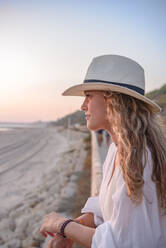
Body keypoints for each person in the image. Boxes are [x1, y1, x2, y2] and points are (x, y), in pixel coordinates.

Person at [40, 55, 166, 247]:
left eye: (89, 96)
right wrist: (73, 228)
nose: (83, 105)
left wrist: (62, 224)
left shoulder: (139, 157)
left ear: (112, 100)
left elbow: (123, 241)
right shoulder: (118, 148)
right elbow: (109, 207)